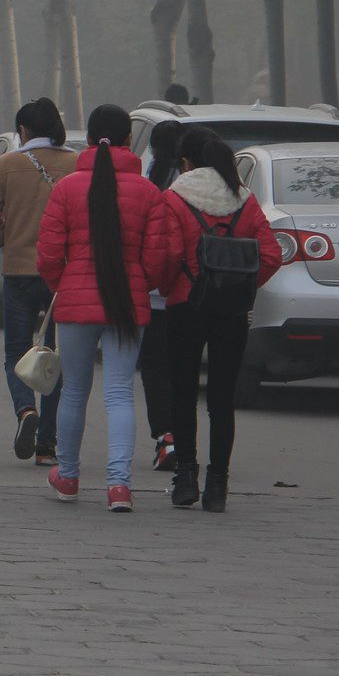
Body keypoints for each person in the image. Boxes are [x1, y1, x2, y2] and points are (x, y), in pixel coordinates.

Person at [37, 104, 176, 512]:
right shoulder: (148, 192)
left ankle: (68, 476)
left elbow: (47, 254)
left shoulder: (66, 188)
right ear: (128, 140)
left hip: (76, 305)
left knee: (74, 392)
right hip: (127, 305)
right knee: (119, 393)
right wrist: (141, 283)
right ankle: (119, 486)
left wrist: (62, 286)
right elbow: (158, 258)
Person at [150, 125, 283, 513]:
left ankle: (185, 478)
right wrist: (240, 283)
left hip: (184, 307)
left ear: (186, 162)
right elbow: (272, 255)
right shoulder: (245, 200)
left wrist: (167, 283)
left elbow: (165, 257)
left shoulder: (175, 199)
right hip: (231, 312)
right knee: (222, 401)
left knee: (183, 394)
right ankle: (218, 486)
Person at [0, 97, 79, 468]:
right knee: (54, 358)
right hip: (62, 276)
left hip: (19, 272)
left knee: (16, 351)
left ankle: (24, 412)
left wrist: (9, 238)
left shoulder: (7, 165)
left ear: (23, 131)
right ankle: (48, 446)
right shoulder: (78, 165)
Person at [137, 118, 188, 472]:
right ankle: (186, 439)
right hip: (186, 294)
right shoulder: (191, 187)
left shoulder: (148, 184)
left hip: (153, 295)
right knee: (184, 370)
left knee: (155, 370)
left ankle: (165, 437)